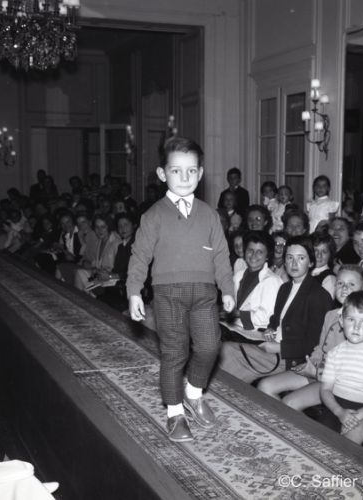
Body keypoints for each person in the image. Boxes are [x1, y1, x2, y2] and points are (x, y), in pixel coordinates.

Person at [127, 136, 235, 442]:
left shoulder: (210, 214)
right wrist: (134, 291)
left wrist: (227, 289)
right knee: (175, 352)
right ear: (163, 174)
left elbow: (221, 255)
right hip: (168, 294)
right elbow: (139, 255)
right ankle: (175, 412)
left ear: (200, 174)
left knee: (210, 346)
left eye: (191, 171)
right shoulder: (153, 215)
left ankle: (193, 391)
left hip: (204, 294)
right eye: (176, 171)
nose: (184, 177)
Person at [219, 235, 332, 383]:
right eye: (290, 257)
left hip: (292, 357)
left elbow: (316, 342)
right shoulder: (285, 288)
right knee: (226, 351)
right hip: (274, 346)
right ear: (284, 261)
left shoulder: (319, 295)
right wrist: (270, 329)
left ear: (310, 262)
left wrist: (279, 348)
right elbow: (275, 319)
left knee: (228, 351)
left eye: (301, 258)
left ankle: (221, 390)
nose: (294, 263)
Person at [257, 265, 363, 409]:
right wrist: (312, 363)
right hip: (317, 371)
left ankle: (287, 421)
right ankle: (276, 420)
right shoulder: (331, 315)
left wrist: (317, 373)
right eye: (340, 283)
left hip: (338, 383)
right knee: (265, 386)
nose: (344, 288)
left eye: (351, 284)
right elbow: (320, 348)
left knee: (290, 402)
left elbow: (351, 370)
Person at [318, 291, 363, 444]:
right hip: (337, 405)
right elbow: (325, 390)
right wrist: (339, 412)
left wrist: (358, 415)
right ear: (341, 321)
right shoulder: (334, 353)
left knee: (350, 441)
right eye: (351, 319)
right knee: (319, 439)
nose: (356, 327)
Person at [220, 231, 282, 342]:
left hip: (257, 335)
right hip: (235, 329)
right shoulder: (238, 276)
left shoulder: (272, 281)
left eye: (259, 252)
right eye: (250, 250)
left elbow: (266, 318)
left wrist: (237, 314)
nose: (253, 255)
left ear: (267, 255)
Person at [311, 232, 336, 299]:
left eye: (324, 252)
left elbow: (325, 303)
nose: (319, 255)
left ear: (330, 255)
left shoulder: (329, 279)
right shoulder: (303, 272)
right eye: (315, 250)